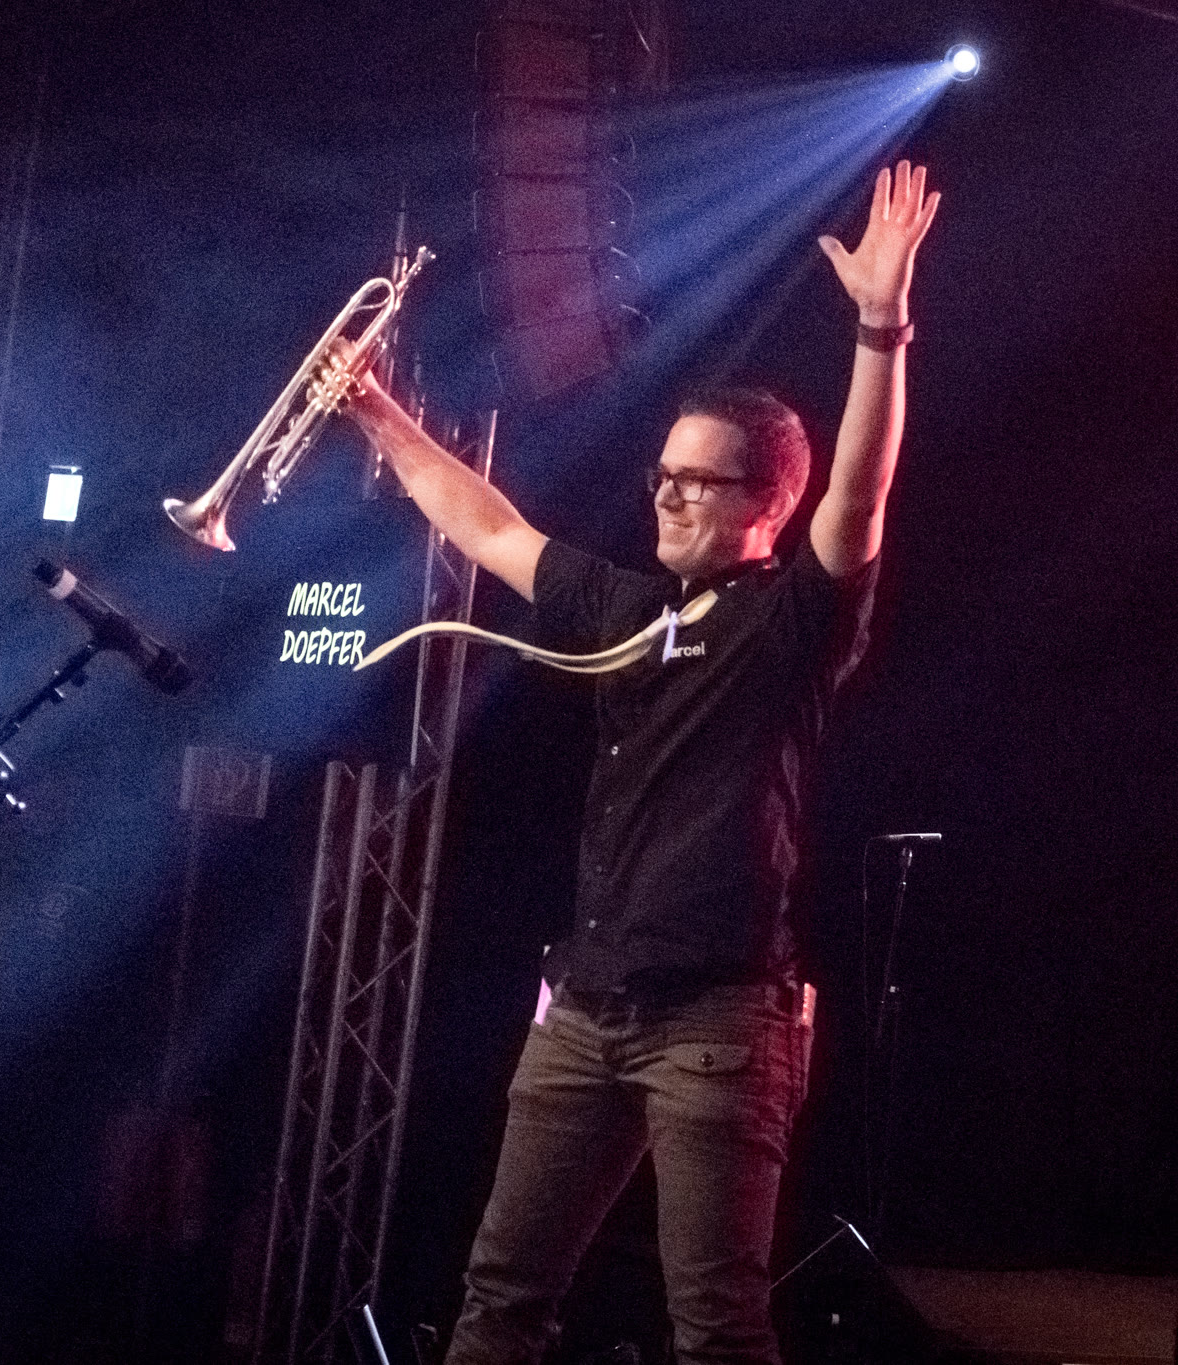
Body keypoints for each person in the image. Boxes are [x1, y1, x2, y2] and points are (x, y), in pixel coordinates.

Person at [333, 161, 939, 1364]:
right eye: (659, 474)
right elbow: (489, 525)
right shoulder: (625, 605)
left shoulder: (789, 620)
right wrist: (374, 411)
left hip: (716, 1025)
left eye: (692, 480)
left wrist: (879, 327)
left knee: (713, 1328)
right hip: (583, 1010)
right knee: (498, 1300)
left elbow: (861, 493)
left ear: (765, 502)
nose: (662, 494)